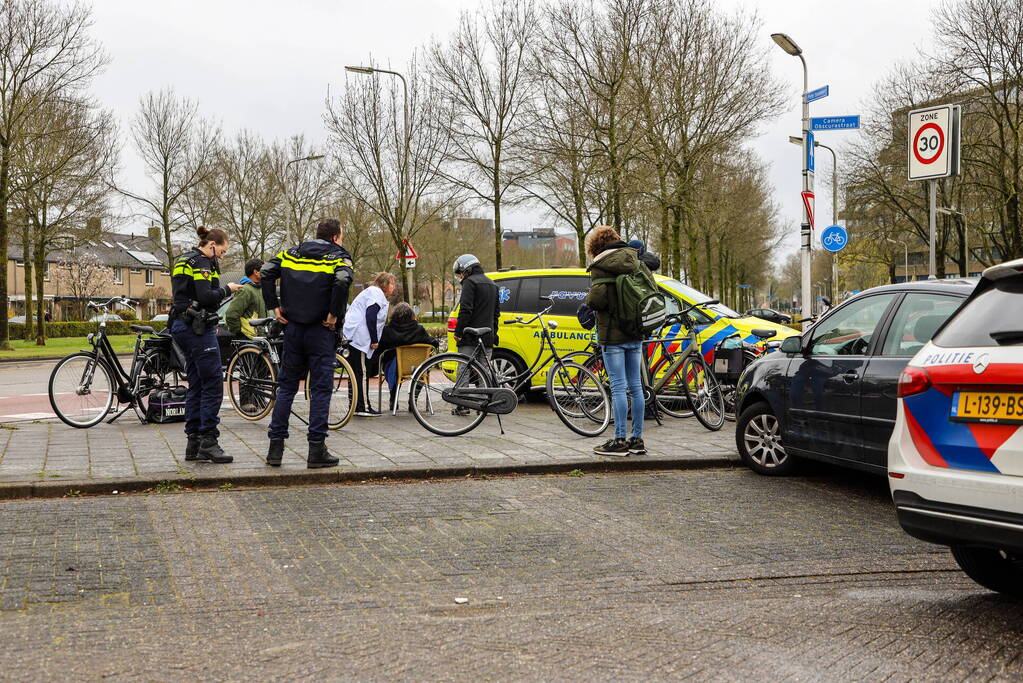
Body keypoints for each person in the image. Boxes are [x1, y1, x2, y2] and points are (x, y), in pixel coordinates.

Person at [260, 218, 354, 468]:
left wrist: (274, 306)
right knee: (320, 390)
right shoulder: (338, 256)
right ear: (335, 237)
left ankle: (275, 449)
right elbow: (342, 281)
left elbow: (266, 271)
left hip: (293, 329)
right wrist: (333, 314)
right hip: (321, 330)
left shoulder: (290, 253)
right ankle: (316, 449)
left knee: (286, 387)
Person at [170, 226, 242, 463]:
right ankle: (209, 441)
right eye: (222, 250)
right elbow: (205, 296)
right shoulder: (201, 262)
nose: (222, 255)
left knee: (197, 383)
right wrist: (227, 289)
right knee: (212, 383)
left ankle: (193, 443)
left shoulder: (183, 259)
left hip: (181, 325)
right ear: (212, 244)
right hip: (197, 328)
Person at [585, 226, 647, 456]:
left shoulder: (601, 265)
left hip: (612, 335)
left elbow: (597, 300)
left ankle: (619, 440)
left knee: (619, 387)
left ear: (595, 246)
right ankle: (637, 439)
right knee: (636, 386)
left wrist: (588, 300)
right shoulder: (635, 260)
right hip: (635, 331)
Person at [343, 272, 396, 417]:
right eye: (392, 283)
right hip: (359, 337)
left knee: (355, 372)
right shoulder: (376, 293)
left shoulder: (372, 292)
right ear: (384, 284)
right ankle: (363, 407)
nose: (394, 287)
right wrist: (374, 339)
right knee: (361, 372)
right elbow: (371, 316)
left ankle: (355, 405)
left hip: (354, 335)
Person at [376, 302, 439, 410]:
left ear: (394, 316)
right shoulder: (419, 330)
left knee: (394, 366)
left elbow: (380, 348)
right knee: (423, 369)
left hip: (394, 370)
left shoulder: (387, 330)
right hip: (416, 368)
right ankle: (413, 398)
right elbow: (433, 343)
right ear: (411, 315)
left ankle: (393, 398)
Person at [452, 253, 499, 358]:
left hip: (470, 338)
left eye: (461, 273)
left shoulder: (469, 283)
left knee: (465, 366)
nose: (461, 276)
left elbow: (465, 310)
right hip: (487, 338)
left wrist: (458, 332)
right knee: (484, 367)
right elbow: (496, 315)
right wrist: (493, 334)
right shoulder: (493, 285)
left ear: (467, 270)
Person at [225, 258, 267, 340]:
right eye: (264, 270)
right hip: (249, 339)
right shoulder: (245, 290)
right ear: (256, 272)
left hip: (259, 337)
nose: (267, 272)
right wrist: (241, 333)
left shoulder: (259, 289)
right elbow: (231, 315)